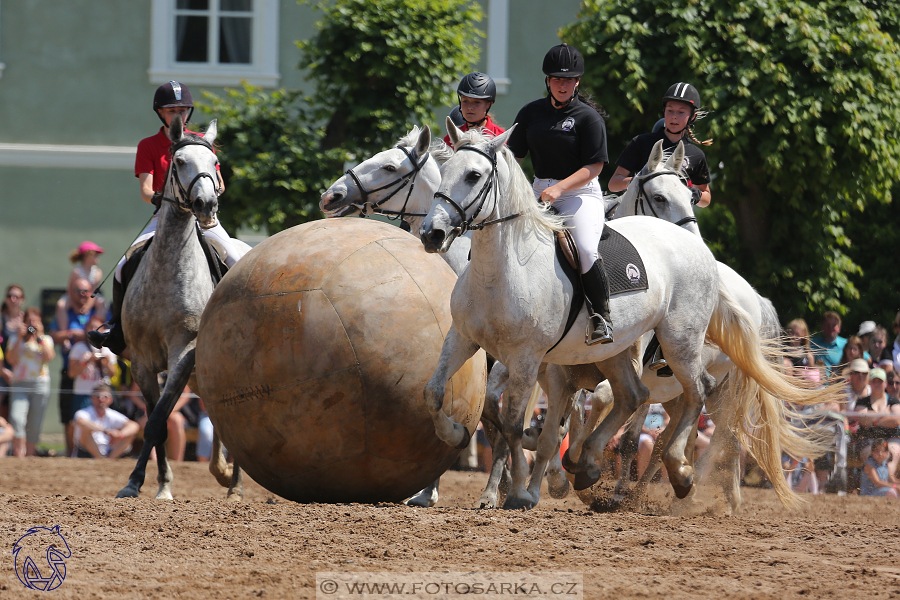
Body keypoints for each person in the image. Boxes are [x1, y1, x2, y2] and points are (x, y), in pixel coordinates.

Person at [88, 80, 251, 355]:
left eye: (183, 109)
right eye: (171, 109)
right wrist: (164, 198)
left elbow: (220, 184)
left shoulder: (200, 143)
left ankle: (249, 317)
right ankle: (117, 328)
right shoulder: (149, 145)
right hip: (166, 214)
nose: (178, 114)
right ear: (160, 112)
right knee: (123, 265)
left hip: (202, 215)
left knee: (236, 260)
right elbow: (145, 190)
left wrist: (208, 193)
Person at [507, 43, 613, 345]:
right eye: (556, 79)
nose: (562, 84)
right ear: (548, 82)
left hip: (579, 193)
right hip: (538, 190)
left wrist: (558, 188)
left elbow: (594, 167)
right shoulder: (530, 113)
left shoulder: (588, 118)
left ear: (577, 82)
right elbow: (513, 157)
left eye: (568, 80)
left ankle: (601, 317)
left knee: (585, 249)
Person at [607, 83, 712, 373]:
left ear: (690, 117)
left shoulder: (695, 155)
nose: (674, 116)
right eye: (670, 111)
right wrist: (641, 182)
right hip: (635, 224)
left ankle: (670, 349)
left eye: (680, 112)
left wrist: (692, 193)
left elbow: (706, 197)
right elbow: (614, 183)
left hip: (676, 234)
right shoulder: (642, 143)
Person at [49, 277, 102, 457]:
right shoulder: (65, 312)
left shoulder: (97, 311)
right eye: (79, 290)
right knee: (68, 416)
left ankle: (96, 452)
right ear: (71, 292)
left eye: (86, 291)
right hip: (70, 369)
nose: (83, 294)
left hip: (96, 374)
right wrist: (74, 334)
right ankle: (71, 452)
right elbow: (54, 335)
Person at [6, 307, 55, 457]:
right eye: (29, 322)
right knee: (16, 417)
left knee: (35, 422)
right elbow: (11, 359)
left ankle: (31, 455)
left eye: (35, 321)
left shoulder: (46, 339)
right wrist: (20, 338)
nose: (32, 325)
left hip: (40, 384)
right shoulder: (15, 339)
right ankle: (19, 453)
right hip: (20, 384)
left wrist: (39, 336)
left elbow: (49, 357)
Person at [67, 314, 117, 419]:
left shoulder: (108, 349)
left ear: (103, 330)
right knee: (80, 423)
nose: (94, 330)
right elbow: (71, 373)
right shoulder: (78, 347)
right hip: (83, 393)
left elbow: (113, 374)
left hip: (103, 395)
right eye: (91, 327)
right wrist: (87, 361)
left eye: (98, 328)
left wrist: (106, 363)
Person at [72, 382, 139, 459]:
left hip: (109, 452)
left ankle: (109, 460)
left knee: (129, 434)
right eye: (97, 396)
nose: (101, 399)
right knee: (86, 431)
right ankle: (101, 459)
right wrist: (106, 431)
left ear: (110, 399)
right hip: (86, 452)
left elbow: (134, 426)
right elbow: (82, 422)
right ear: (91, 399)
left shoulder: (112, 414)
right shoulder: (83, 413)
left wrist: (120, 434)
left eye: (105, 396)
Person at [855, 368, 900, 478]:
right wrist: (884, 414)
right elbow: (862, 420)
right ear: (869, 383)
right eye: (874, 381)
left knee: (893, 454)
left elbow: (896, 420)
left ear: (885, 383)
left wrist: (873, 420)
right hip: (867, 438)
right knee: (871, 455)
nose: (877, 384)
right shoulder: (862, 401)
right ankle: (876, 485)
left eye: (880, 381)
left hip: (890, 438)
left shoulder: (893, 401)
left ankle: (885, 483)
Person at [55, 241, 106, 333]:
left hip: (90, 299)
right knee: (61, 305)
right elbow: (70, 290)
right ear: (87, 256)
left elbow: (93, 292)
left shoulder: (97, 273)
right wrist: (75, 307)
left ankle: (99, 330)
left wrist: (87, 306)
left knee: (102, 303)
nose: (97, 258)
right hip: (74, 298)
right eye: (95, 255)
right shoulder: (77, 271)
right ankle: (64, 332)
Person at [443, 72, 505, 147]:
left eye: (477, 102)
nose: (470, 107)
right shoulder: (450, 139)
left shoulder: (501, 139)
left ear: (488, 104)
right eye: (465, 101)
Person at [0, 284, 24, 421]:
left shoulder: (27, 320)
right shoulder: (1, 320)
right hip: (3, 370)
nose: (13, 299)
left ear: (22, 299)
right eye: (10, 296)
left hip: (22, 370)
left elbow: (34, 338)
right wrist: (2, 370)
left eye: (17, 296)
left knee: (18, 411)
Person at [809, 311, 847, 376]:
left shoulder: (846, 344)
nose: (830, 328)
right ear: (821, 326)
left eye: (833, 325)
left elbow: (864, 357)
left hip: (839, 384)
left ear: (839, 328)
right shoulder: (812, 343)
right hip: (816, 384)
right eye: (827, 325)